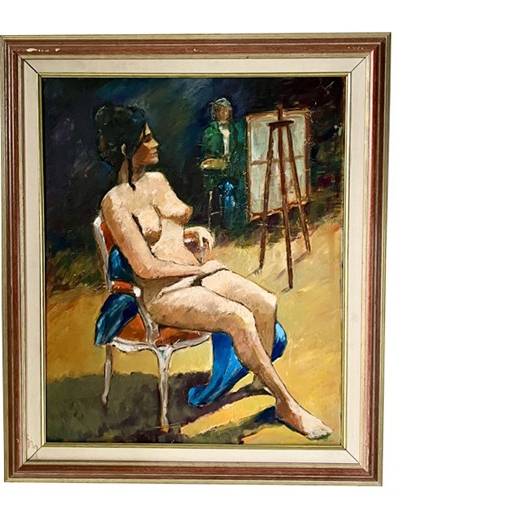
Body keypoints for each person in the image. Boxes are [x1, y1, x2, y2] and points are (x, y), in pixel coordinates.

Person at [93, 102, 332, 439]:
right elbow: (145, 266)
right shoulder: (115, 202)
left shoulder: (158, 181)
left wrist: (192, 233)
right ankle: (286, 404)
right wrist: (198, 271)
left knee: (266, 303)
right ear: (124, 149)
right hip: (165, 293)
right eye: (146, 139)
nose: (156, 143)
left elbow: (169, 229)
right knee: (239, 317)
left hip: (198, 274)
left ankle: (260, 378)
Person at [199, 98, 248, 229]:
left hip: (234, 170)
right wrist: (218, 162)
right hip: (216, 174)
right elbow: (206, 156)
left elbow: (240, 150)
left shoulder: (235, 130)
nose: (224, 113)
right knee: (229, 189)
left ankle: (242, 223)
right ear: (215, 113)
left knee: (244, 187)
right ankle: (228, 226)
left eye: (226, 110)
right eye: (221, 110)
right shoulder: (210, 132)